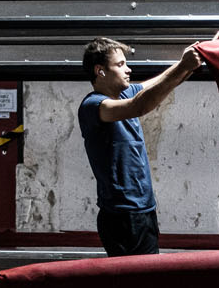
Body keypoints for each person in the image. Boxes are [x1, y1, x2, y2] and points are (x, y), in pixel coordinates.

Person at [78, 36, 208, 258]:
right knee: (137, 285)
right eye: (120, 65)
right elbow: (140, 105)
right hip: (122, 215)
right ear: (100, 71)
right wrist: (183, 65)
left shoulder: (125, 93)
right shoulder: (93, 105)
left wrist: (202, 52)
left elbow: (165, 82)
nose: (128, 70)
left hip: (143, 210)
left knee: (145, 280)